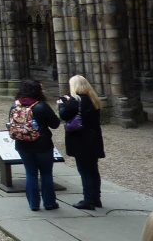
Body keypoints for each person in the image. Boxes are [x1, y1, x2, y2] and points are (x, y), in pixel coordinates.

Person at [11, 79, 61, 211]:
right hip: (42, 144)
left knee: (30, 174)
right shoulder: (41, 106)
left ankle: (33, 204)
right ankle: (49, 203)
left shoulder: (15, 106)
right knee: (46, 173)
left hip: (22, 144)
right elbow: (55, 124)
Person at [57, 75, 105, 210]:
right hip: (93, 139)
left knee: (84, 171)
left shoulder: (75, 101)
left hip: (81, 140)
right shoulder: (93, 99)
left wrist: (61, 104)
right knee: (93, 169)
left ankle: (88, 199)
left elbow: (63, 115)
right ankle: (96, 198)